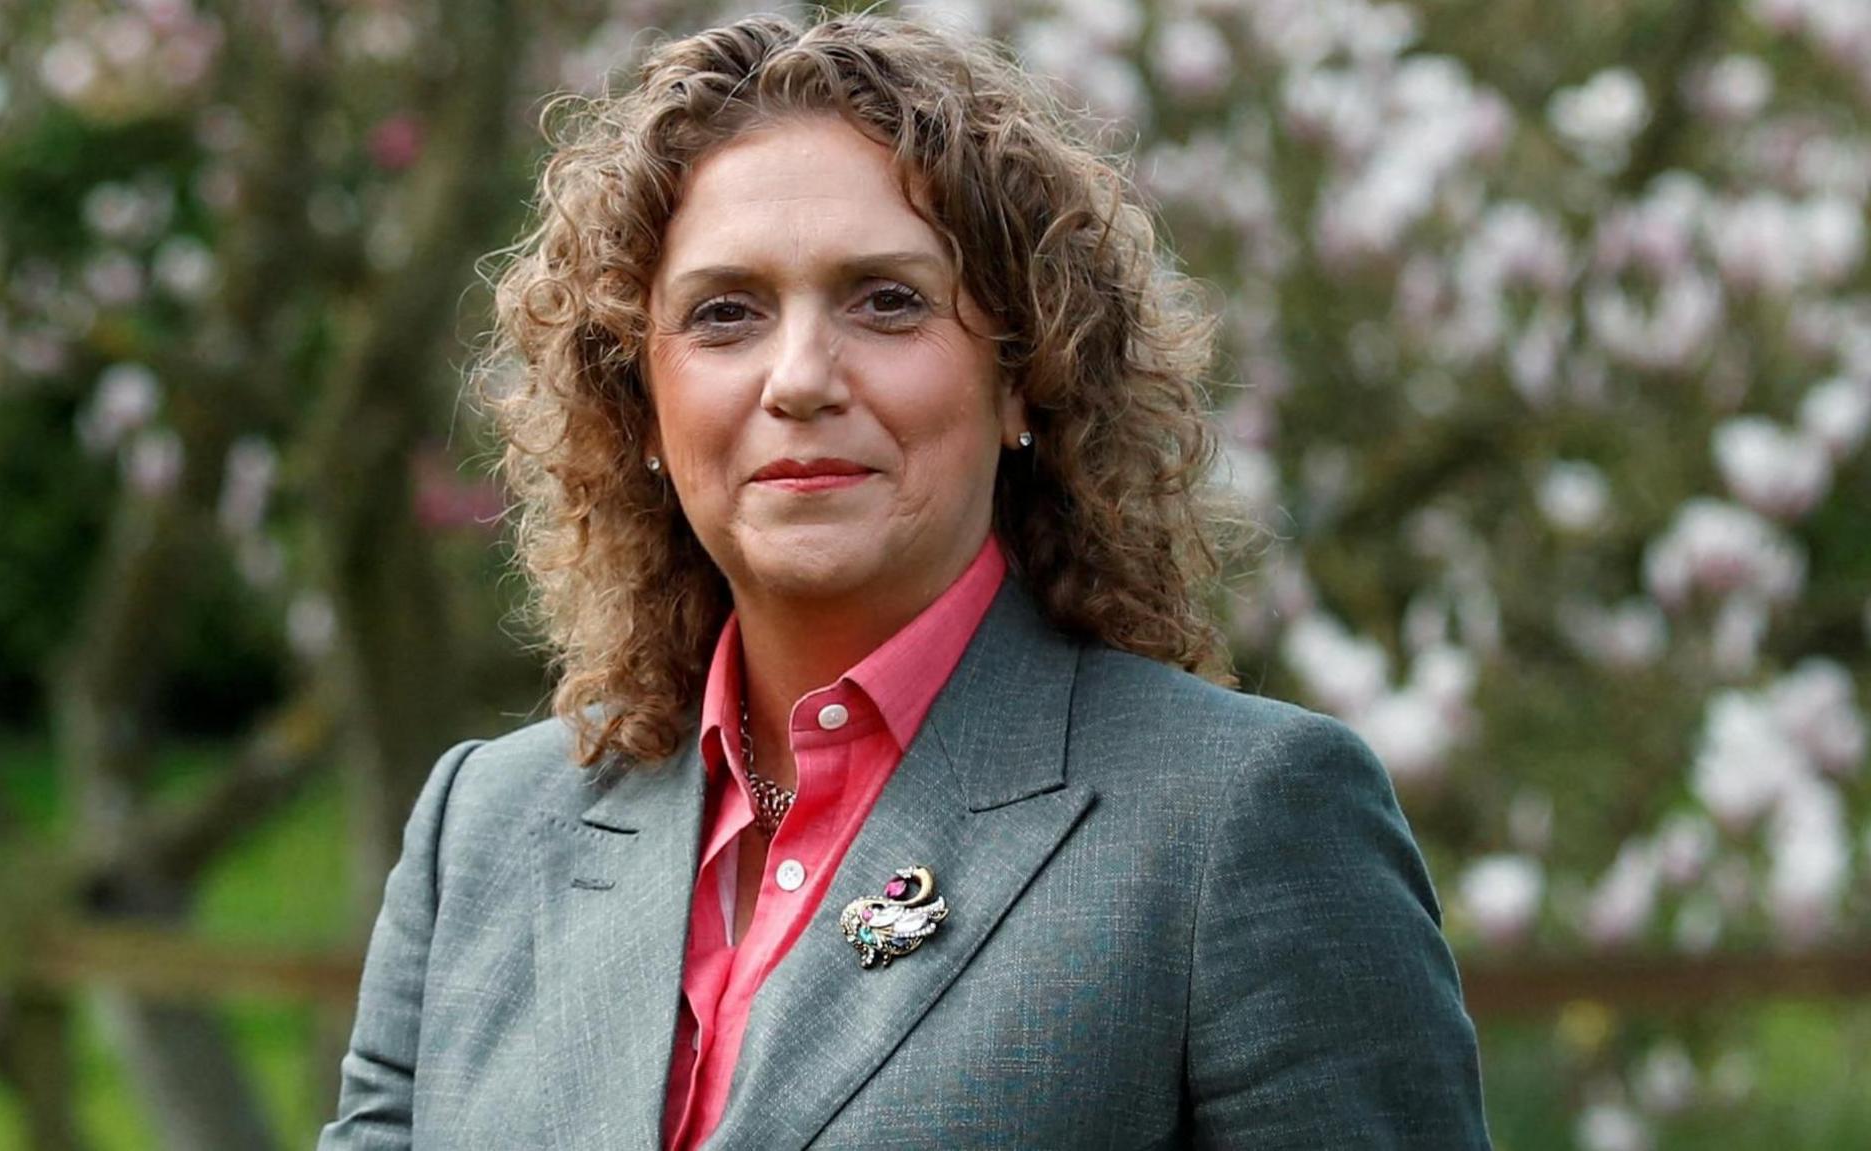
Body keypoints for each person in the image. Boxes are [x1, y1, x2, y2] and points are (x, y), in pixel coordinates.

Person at [320, 11, 1489, 1149]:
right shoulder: (483, 829)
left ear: (1025, 371)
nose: (800, 378)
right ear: (637, 402)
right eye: (724, 312)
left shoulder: (1239, 820)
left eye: (886, 300)